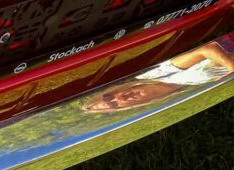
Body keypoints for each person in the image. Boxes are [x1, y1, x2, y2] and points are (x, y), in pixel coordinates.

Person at [81, 41, 234, 113]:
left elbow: (208, 49)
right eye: (114, 104)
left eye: (108, 97)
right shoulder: (179, 97)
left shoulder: (158, 73)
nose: (119, 98)